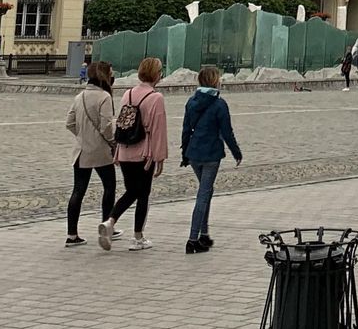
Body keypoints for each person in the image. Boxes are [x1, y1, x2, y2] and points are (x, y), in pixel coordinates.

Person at [100, 56, 168, 252]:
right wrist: (160, 156)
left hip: (125, 150)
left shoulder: (127, 94)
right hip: (144, 153)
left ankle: (110, 221)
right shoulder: (156, 97)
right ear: (156, 75)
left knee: (131, 191)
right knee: (143, 194)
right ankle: (138, 237)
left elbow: (121, 122)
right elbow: (158, 129)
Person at [180, 66, 243, 254]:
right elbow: (226, 132)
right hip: (211, 154)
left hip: (194, 153)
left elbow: (185, 130)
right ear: (215, 81)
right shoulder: (219, 104)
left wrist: (185, 154)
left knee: (205, 191)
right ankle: (192, 239)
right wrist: (236, 152)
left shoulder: (191, 102)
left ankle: (204, 234)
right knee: (203, 194)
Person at [63, 61, 118, 247]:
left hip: (81, 151)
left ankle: (71, 234)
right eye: (111, 73)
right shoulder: (104, 97)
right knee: (109, 187)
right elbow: (107, 126)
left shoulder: (80, 96)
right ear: (105, 76)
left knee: (78, 191)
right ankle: (107, 224)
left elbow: (69, 122)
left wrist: (82, 136)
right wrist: (112, 142)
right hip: (100, 150)